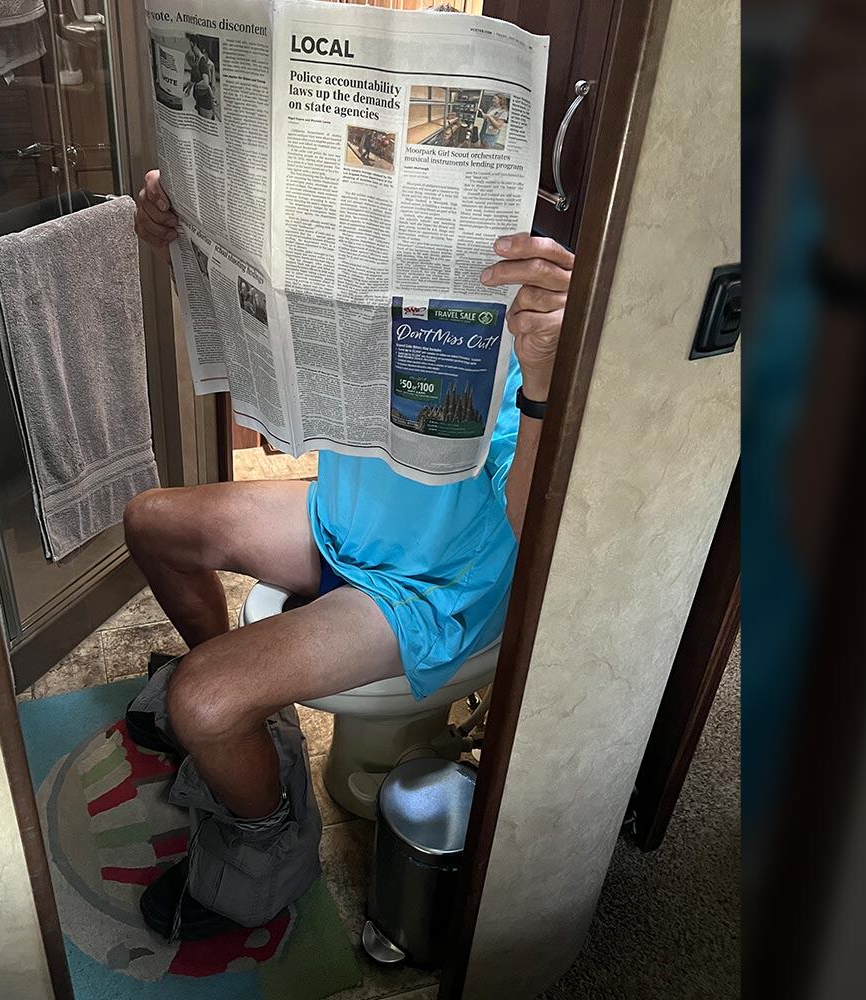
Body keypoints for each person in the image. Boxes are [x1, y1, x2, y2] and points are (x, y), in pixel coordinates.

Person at [124, 168, 574, 938]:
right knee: (151, 522)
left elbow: (536, 531)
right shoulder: (348, 266)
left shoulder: (523, 325)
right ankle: (246, 727)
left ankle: (265, 843)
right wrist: (184, 236)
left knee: (201, 698)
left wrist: (541, 380)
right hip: (342, 520)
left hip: (431, 585)